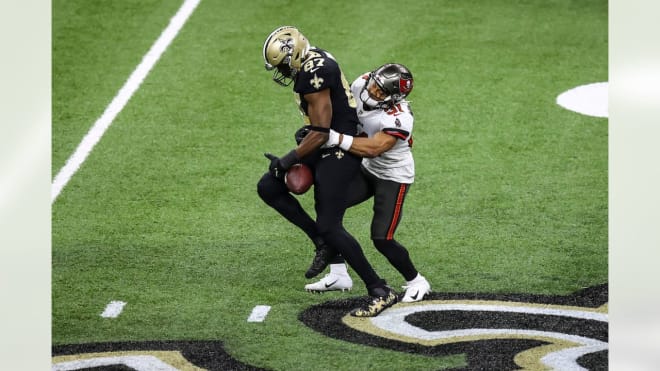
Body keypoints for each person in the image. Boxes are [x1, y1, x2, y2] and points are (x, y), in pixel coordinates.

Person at [257, 26, 397, 317]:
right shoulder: (312, 60)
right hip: (324, 140)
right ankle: (325, 248)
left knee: (330, 224)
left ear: (294, 54)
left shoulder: (315, 73)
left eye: (283, 62)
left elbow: (321, 132)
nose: (282, 70)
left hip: (339, 147)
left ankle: (379, 289)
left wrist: (286, 160)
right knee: (269, 187)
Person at [319, 63, 431, 303]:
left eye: (381, 92)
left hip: (393, 175)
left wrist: (333, 138)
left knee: (382, 238)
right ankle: (338, 273)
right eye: (374, 85)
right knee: (328, 207)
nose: (373, 92)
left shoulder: (400, 117)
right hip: (367, 169)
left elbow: (374, 148)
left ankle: (416, 280)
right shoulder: (361, 83)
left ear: (394, 98)